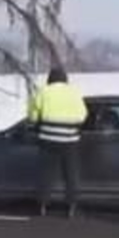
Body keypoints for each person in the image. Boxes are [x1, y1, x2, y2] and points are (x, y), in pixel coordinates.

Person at [27, 66, 88, 218]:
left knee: (46, 173)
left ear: (50, 79)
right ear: (65, 79)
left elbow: (33, 116)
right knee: (71, 173)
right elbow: (83, 115)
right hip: (69, 139)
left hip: (48, 138)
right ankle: (71, 206)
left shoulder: (43, 91)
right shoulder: (74, 93)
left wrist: (36, 123)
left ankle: (42, 204)